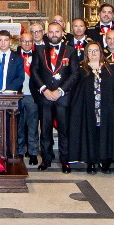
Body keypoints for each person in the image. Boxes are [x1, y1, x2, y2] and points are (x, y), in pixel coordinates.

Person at [67, 41, 114, 173]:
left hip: (106, 108)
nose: (93, 53)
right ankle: (91, 162)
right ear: (86, 53)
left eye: (96, 50)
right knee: (90, 134)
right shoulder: (81, 68)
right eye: (90, 51)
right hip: (88, 108)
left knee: (106, 134)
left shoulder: (111, 67)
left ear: (101, 52)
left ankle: (105, 161)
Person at [35, 19, 77, 171]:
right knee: (45, 130)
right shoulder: (39, 50)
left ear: (62, 33)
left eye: (57, 32)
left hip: (63, 97)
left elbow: (74, 74)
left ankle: (65, 160)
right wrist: (45, 90)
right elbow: (35, 72)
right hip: (45, 97)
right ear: (47, 34)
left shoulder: (70, 50)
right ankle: (46, 159)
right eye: (51, 32)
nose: (54, 34)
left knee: (64, 130)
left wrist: (60, 91)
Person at [15, 30, 41, 165]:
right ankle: (19, 152)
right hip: (18, 95)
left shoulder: (39, 55)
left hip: (33, 95)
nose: (27, 43)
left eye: (29, 41)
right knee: (18, 125)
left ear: (33, 42)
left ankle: (32, 152)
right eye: (24, 41)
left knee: (32, 125)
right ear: (20, 42)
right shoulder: (14, 56)